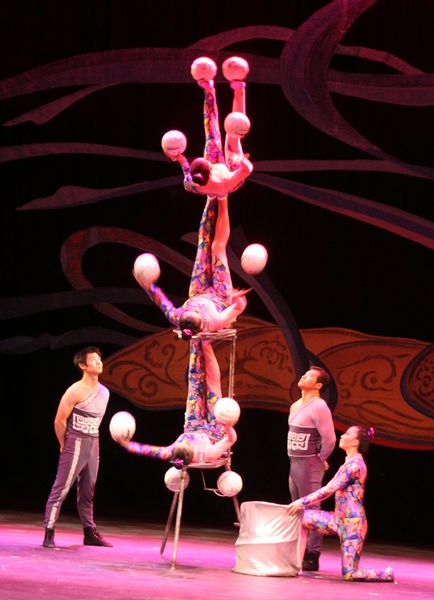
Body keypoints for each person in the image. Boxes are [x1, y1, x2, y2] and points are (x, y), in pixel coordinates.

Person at [287, 425, 394, 582]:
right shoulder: (347, 463)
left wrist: (302, 501)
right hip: (337, 520)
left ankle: (386, 574)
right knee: (303, 518)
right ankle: (294, 564)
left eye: (347, 434)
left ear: (355, 443)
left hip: (353, 525)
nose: (342, 436)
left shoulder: (355, 466)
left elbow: (329, 490)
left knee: (350, 574)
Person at [42, 346, 112, 548]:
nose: (99, 362)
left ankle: (89, 532)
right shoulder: (74, 391)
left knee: (88, 491)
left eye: (100, 358)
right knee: (61, 488)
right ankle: (49, 531)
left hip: (93, 442)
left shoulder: (105, 392)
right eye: (94, 360)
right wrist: (64, 444)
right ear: (83, 365)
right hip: (75, 441)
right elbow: (59, 421)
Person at [163, 56, 253, 198]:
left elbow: (185, 165)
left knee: (211, 130)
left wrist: (178, 157)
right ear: (210, 170)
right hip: (231, 172)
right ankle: (239, 89)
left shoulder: (191, 182)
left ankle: (209, 90)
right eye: (208, 164)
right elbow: (247, 170)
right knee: (234, 133)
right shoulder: (228, 181)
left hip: (213, 175)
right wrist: (242, 160)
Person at [288, 366, 336, 571]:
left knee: (312, 510)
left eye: (308, 376)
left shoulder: (319, 406)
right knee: (297, 508)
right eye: (304, 373)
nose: (303, 376)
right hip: (294, 462)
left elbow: (330, 439)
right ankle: (298, 549)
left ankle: (312, 553)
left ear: (317, 385)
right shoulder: (296, 405)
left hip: (308, 463)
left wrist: (320, 458)